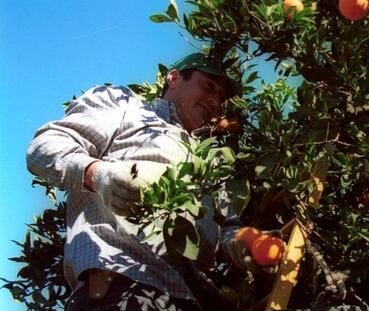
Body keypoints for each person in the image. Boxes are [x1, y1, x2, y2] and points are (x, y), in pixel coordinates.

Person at [26, 52, 267, 311]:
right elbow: (45, 147)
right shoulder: (126, 107)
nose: (214, 100)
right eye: (208, 86)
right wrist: (97, 174)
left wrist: (246, 243)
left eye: (220, 98)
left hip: (191, 299)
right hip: (120, 285)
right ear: (173, 78)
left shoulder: (210, 159)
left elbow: (227, 227)